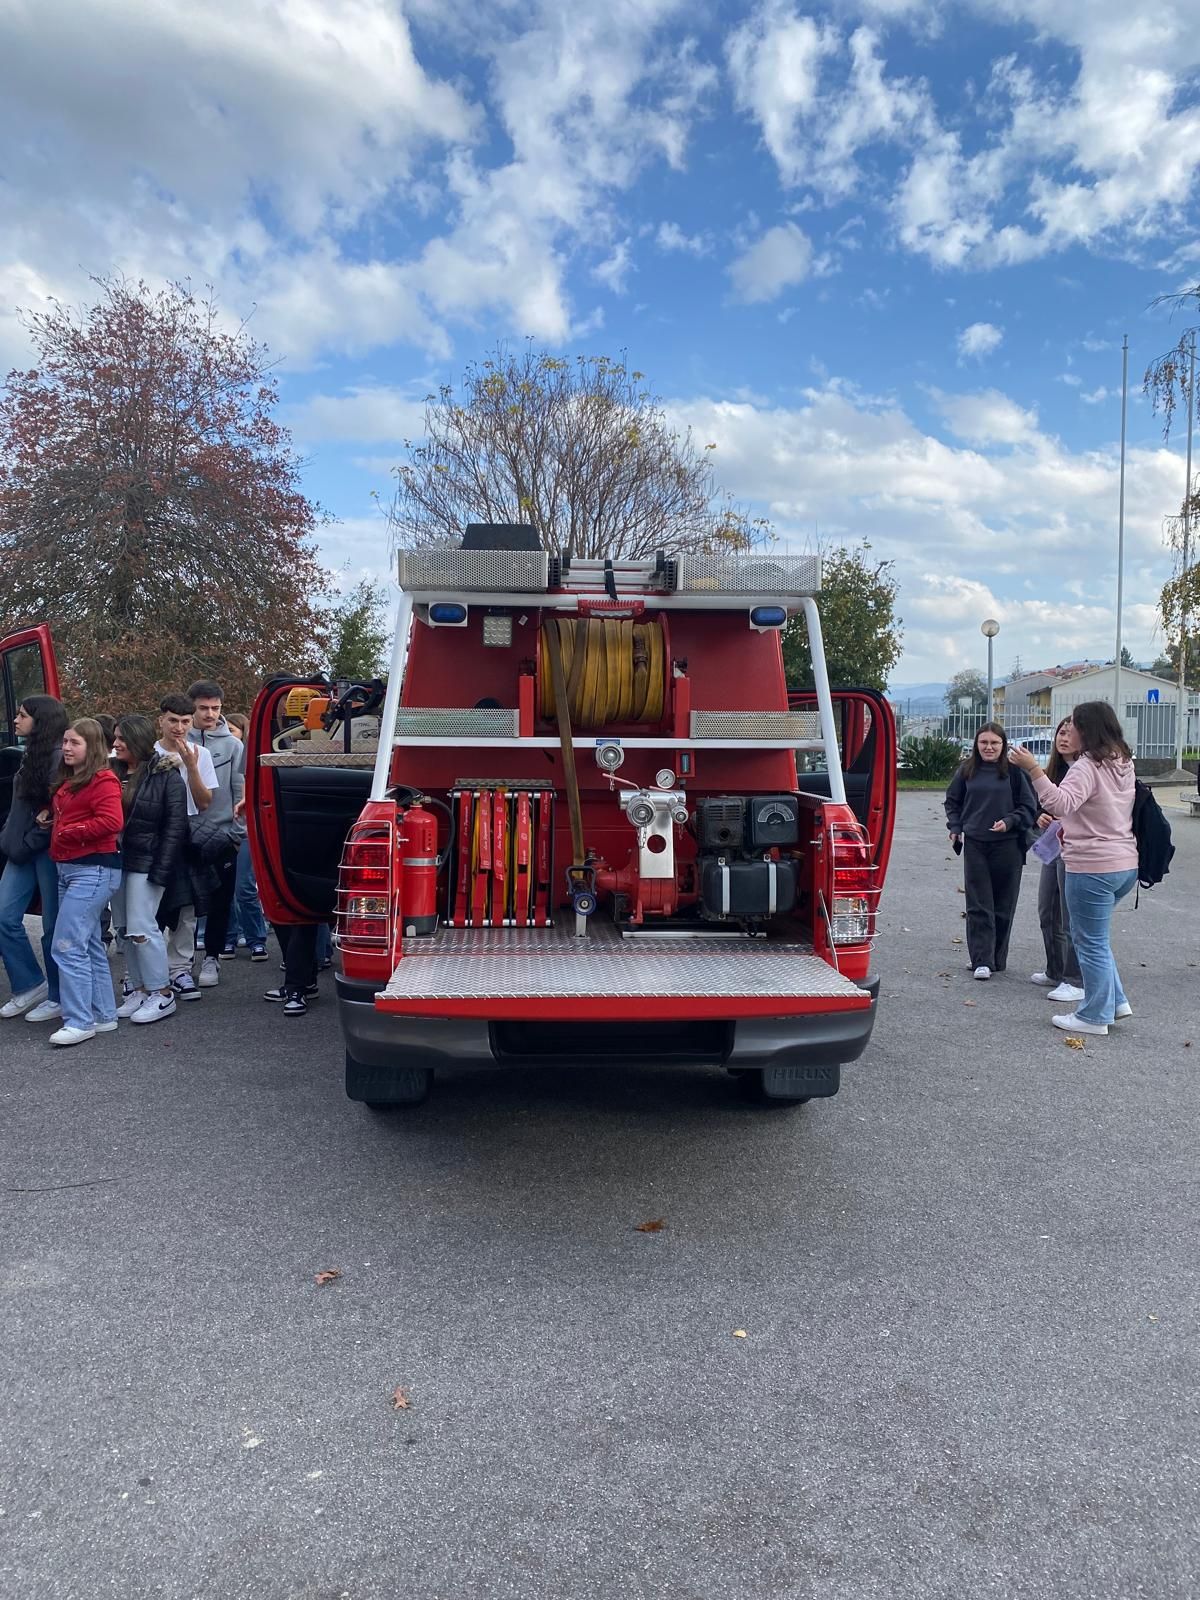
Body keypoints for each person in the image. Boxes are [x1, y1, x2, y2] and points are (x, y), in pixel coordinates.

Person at [1010, 702, 1138, 1036]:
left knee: (1088, 942)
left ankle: (1094, 1016)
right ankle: (1116, 1001)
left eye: (1074, 725)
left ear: (1088, 729)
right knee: (1097, 939)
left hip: (1091, 865)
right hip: (1124, 864)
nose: (1069, 731)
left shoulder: (1087, 766)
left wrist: (1033, 770)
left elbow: (1060, 804)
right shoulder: (1122, 761)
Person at [44, 719, 123, 1046]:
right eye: (65, 741)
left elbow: (112, 821)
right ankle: (104, 1015)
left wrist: (68, 832)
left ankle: (79, 1021)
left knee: (66, 945)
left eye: (74, 742)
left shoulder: (103, 780)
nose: (66, 747)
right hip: (72, 870)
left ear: (90, 747)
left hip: (92, 871)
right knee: (87, 944)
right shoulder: (73, 780)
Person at [109, 715, 188, 1025]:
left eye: (121, 738)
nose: (115, 743)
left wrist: (162, 869)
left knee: (143, 928)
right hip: (117, 861)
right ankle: (140, 988)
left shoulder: (167, 775)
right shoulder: (111, 773)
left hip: (148, 862)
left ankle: (161, 992)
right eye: (114, 737)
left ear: (137, 740)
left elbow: (176, 827)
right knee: (125, 930)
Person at [944, 722, 1036, 980]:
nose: (989, 747)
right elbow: (953, 801)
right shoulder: (966, 770)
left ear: (1003, 745)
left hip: (1008, 846)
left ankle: (996, 958)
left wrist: (1009, 821)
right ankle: (981, 960)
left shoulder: (1016, 774)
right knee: (978, 903)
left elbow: (1029, 807)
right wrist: (956, 825)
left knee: (1004, 904)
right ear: (976, 744)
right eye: (984, 742)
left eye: (995, 743)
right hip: (975, 843)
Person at [0, 694, 69, 1022]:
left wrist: (26, 841)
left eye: (22, 715)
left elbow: (55, 816)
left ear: (40, 721)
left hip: (46, 853)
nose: (16, 720)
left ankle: (58, 995)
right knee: (3, 915)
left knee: (53, 925)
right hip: (21, 851)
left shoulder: (57, 759)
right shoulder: (30, 755)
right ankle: (29, 984)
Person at [155, 693, 216, 1002]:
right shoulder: (148, 752)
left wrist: (191, 766)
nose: (179, 728)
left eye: (184, 721)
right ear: (161, 721)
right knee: (151, 905)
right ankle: (149, 972)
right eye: (173, 721)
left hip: (188, 831)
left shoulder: (200, 753)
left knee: (188, 906)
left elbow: (205, 803)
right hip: (155, 832)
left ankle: (179, 968)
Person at [187, 680, 247, 989]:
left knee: (221, 899)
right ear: (193, 708)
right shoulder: (179, 740)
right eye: (203, 708)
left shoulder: (234, 745)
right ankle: (183, 962)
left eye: (216, 708)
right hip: (186, 832)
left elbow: (240, 788)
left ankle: (212, 957)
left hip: (222, 832)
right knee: (185, 901)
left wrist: (237, 834)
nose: (210, 714)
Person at [1030, 718, 1084, 1004]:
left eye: (1069, 734)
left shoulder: (1084, 770)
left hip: (1076, 850)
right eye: (1060, 733)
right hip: (1053, 846)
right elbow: (1043, 806)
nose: (1063, 738)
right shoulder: (1054, 769)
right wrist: (1040, 817)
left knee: (1069, 916)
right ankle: (1054, 969)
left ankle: (1074, 979)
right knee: (1046, 910)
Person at [218, 711, 268, 961]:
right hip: (223, 826)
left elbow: (242, 788)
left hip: (245, 828)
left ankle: (256, 938)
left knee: (244, 887)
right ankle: (228, 937)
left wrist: (241, 826)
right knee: (224, 887)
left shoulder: (240, 749)